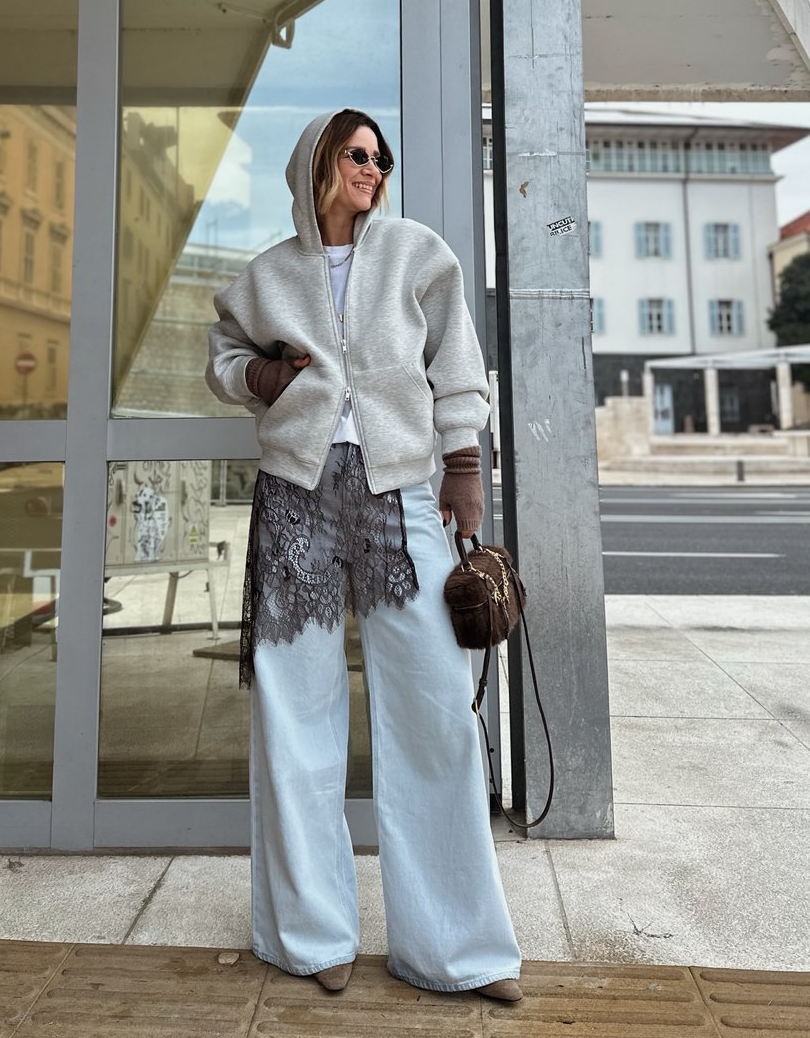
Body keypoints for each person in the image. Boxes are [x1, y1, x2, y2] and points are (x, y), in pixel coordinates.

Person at [206, 109, 522, 1002]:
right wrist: (261, 377)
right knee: (295, 716)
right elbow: (222, 359)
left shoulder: (418, 254)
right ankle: (310, 937)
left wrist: (463, 470)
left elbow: (457, 366)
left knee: (435, 712)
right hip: (295, 502)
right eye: (357, 154)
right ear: (316, 162)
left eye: (381, 158)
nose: (372, 169)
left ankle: (457, 949)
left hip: (397, 496)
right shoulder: (267, 275)